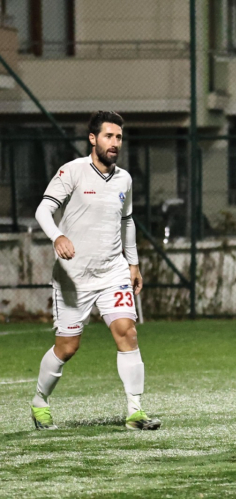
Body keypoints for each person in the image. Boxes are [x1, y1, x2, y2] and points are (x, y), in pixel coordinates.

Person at [30, 111, 160, 431]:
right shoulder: (72, 171)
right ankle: (40, 401)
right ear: (93, 138)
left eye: (119, 137)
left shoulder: (124, 179)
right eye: (108, 136)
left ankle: (135, 411)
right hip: (73, 278)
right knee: (67, 347)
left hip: (112, 272)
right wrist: (57, 236)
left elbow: (127, 221)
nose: (115, 143)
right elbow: (44, 209)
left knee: (127, 331)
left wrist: (133, 264)